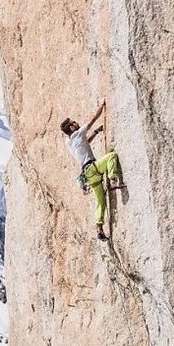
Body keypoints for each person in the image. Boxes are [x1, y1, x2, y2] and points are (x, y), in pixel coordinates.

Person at [60, 101, 123, 241]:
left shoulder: (69, 141)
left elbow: (85, 142)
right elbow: (93, 119)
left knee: (100, 200)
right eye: (74, 122)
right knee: (111, 156)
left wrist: (96, 132)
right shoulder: (79, 133)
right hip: (92, 168)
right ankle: (113, 179)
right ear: (71, 127)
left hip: (88, 176)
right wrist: (102, 105)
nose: (76, 123)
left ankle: (99, 227)